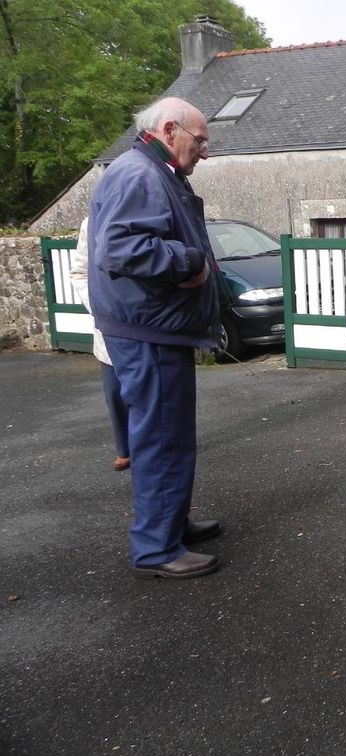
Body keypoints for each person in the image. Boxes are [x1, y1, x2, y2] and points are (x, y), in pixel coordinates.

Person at [87, 96, 222, 579]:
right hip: (150, 330)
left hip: (152, 326)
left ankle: (171, 525)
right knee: (162, 438)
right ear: (170, 130)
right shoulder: (141, 174)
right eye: (200, 139)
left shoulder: (149, 170)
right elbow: (122, 248)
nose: (204, 151)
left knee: (167, 434)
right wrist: (190, 263)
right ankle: (158, 548)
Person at [69, 216, 130, 472]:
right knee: (115, 390)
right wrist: (98, 305)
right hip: (107, 323)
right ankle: (125, 449)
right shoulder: (91, 222)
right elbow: (79, 271)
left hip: (146, 323)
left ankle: (153, 448)